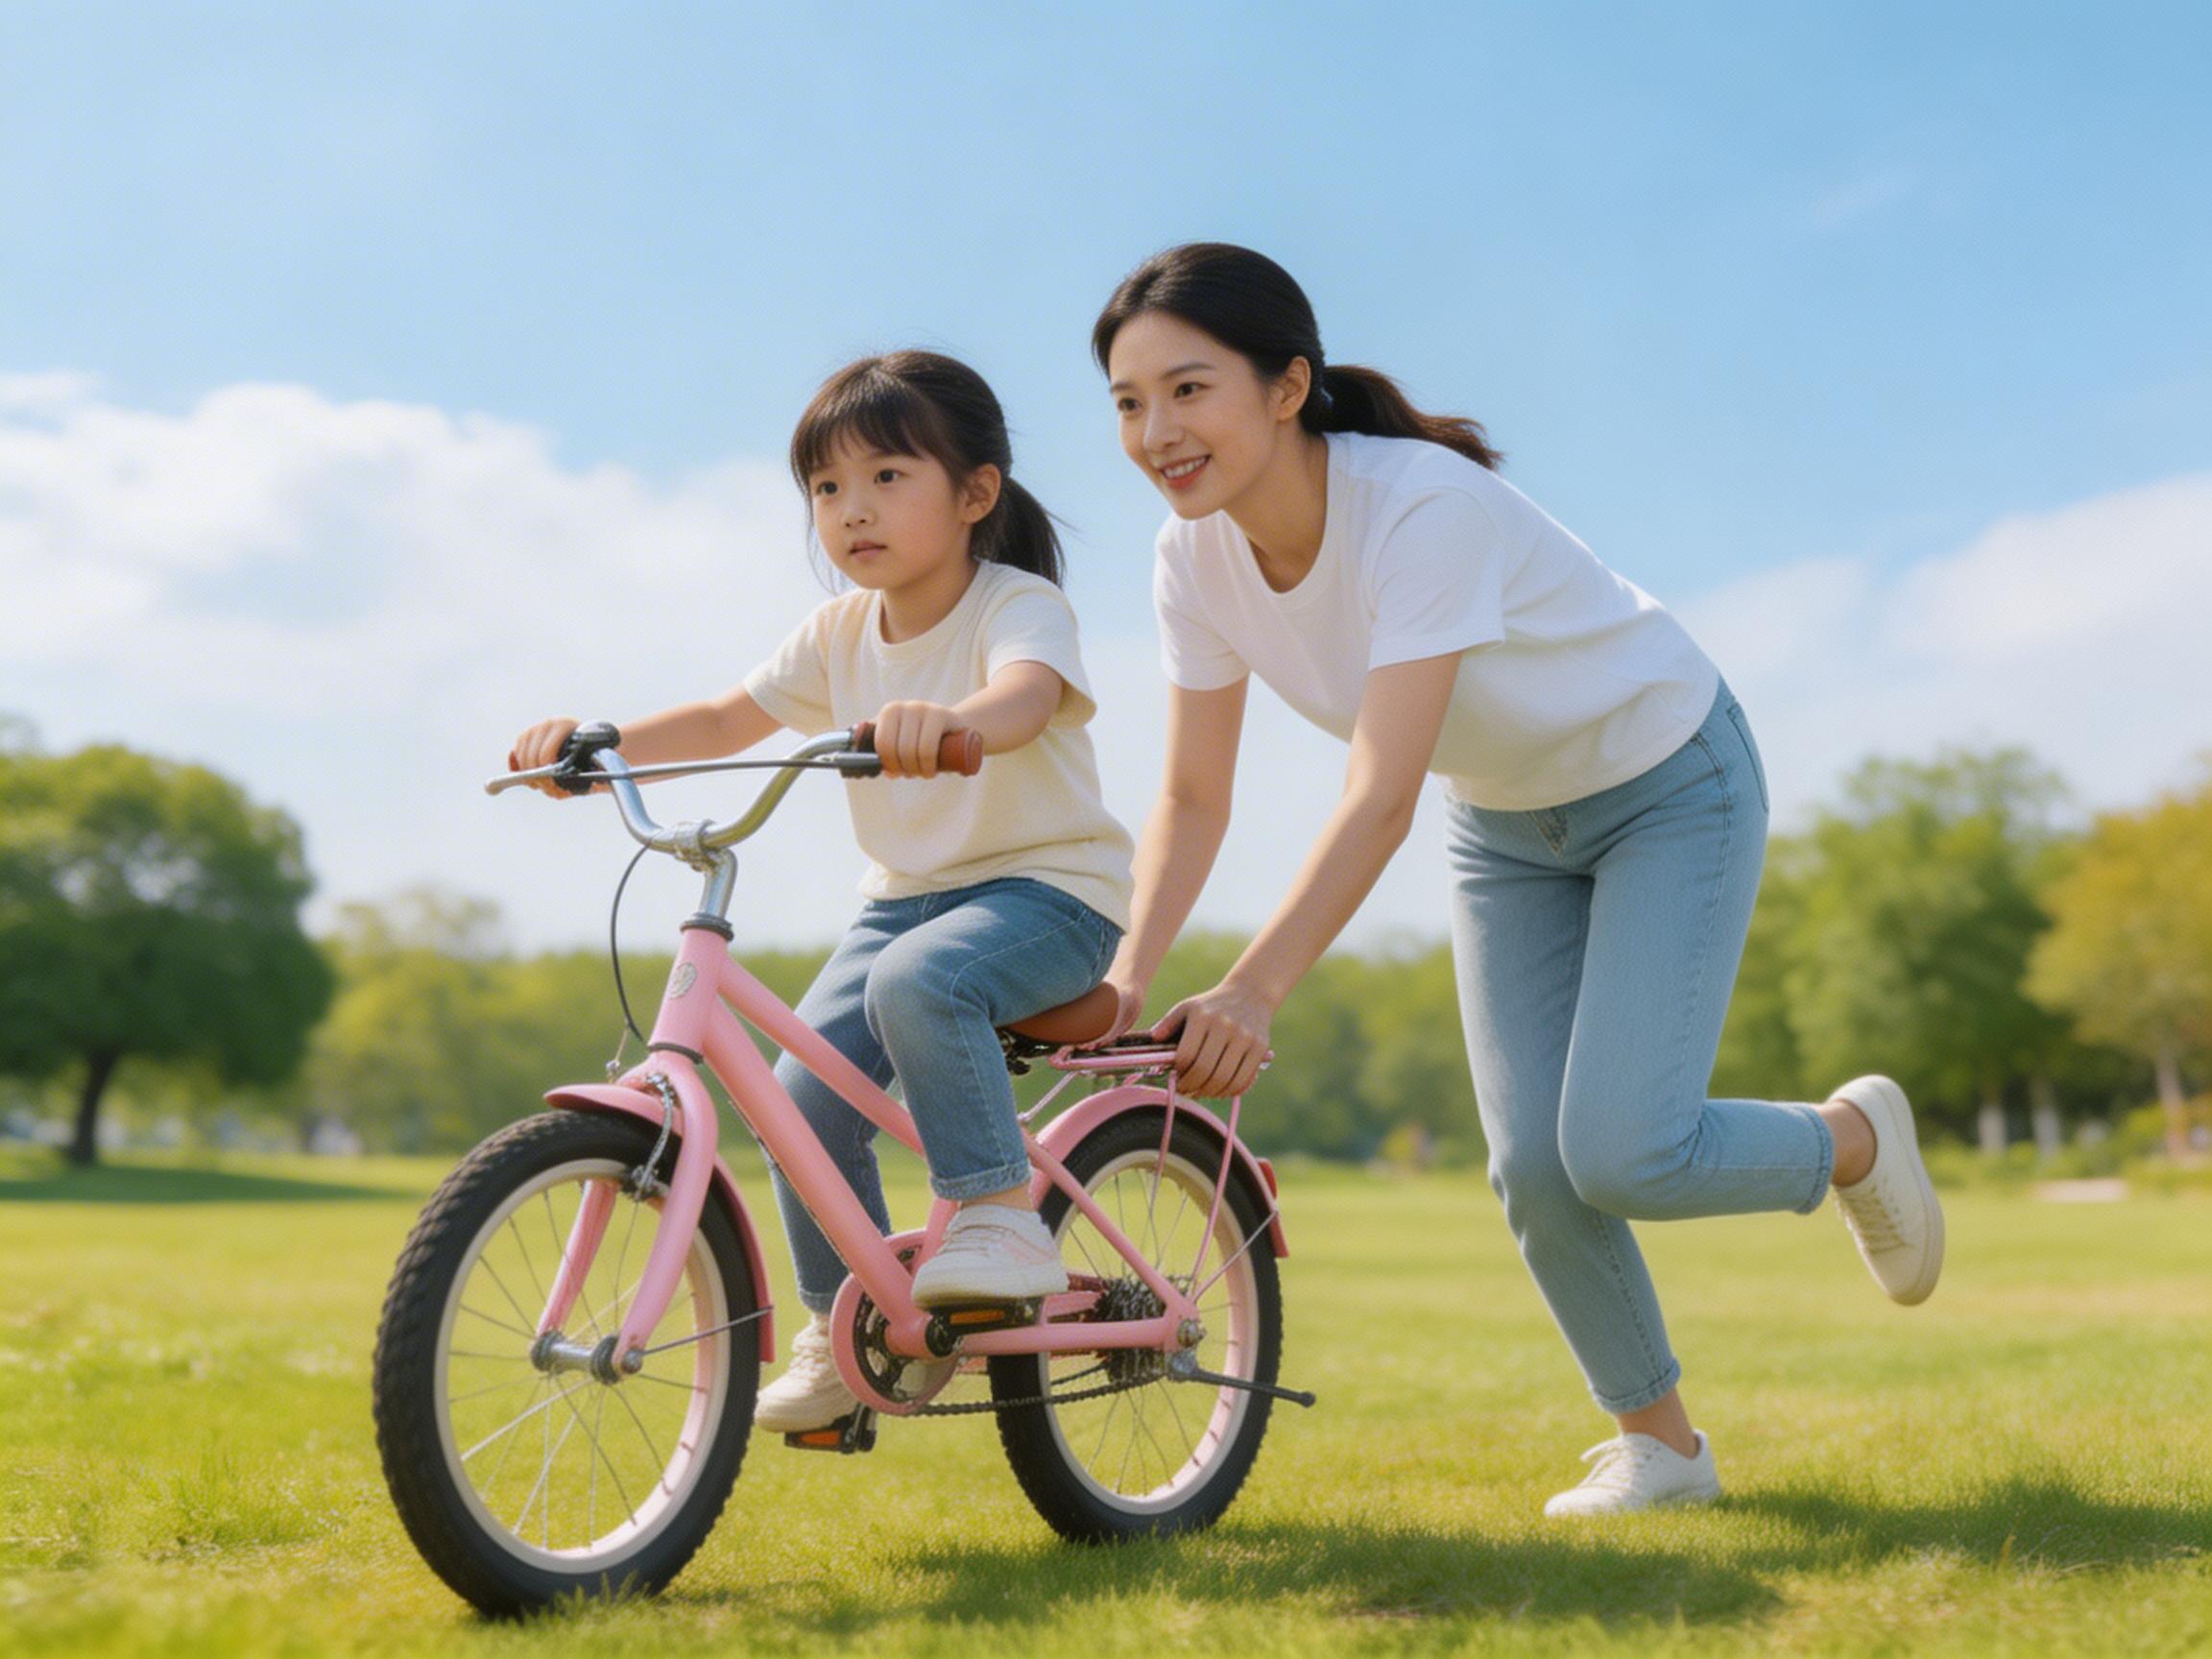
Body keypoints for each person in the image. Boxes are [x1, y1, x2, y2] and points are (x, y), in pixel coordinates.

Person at [1087, 243, 1943, 1516]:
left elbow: (1379, 789)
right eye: (1127, 402)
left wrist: (1256, 991)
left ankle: (1852, 1141)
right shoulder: (1189, 559)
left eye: (1188, 389)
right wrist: (1124, 981)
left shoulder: (1418, 506)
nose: (1157, 431)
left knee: (1622, 1150)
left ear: (1286, 387)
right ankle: (1665, 1450)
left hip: (1666, 778)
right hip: (1504, 825)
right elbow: (1192, 797)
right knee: (1535, 1169)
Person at [510, 350, 1135, 1434]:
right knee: (803, 1097)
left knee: (920, 980)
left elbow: (1025, 699)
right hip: (905, 901)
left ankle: (997, 1217)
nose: (854, 511)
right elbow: (721, 722)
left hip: (1049, 894)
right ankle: (835, 1331)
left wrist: (956, 727)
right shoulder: (838, 633)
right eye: (828, 489)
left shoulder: (1014, 605)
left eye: (889, 477)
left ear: (975, 493)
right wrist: (598, 746)